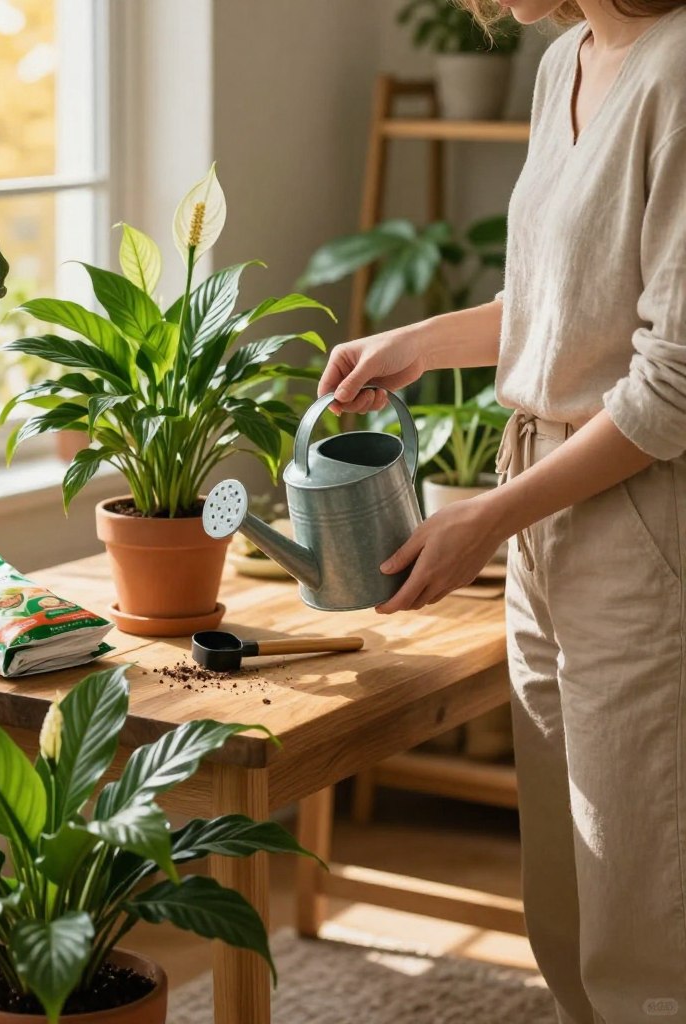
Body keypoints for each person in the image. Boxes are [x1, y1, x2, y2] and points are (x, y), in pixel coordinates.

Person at [318, 1, 686, 1019]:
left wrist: (484, 516)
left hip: (640, 519)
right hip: (542, 507)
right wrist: (415, 342)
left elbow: (670, 387)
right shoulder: (564, 59)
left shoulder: (678, 74)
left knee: (646, 917)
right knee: (563, 903)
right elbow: (554, 300)